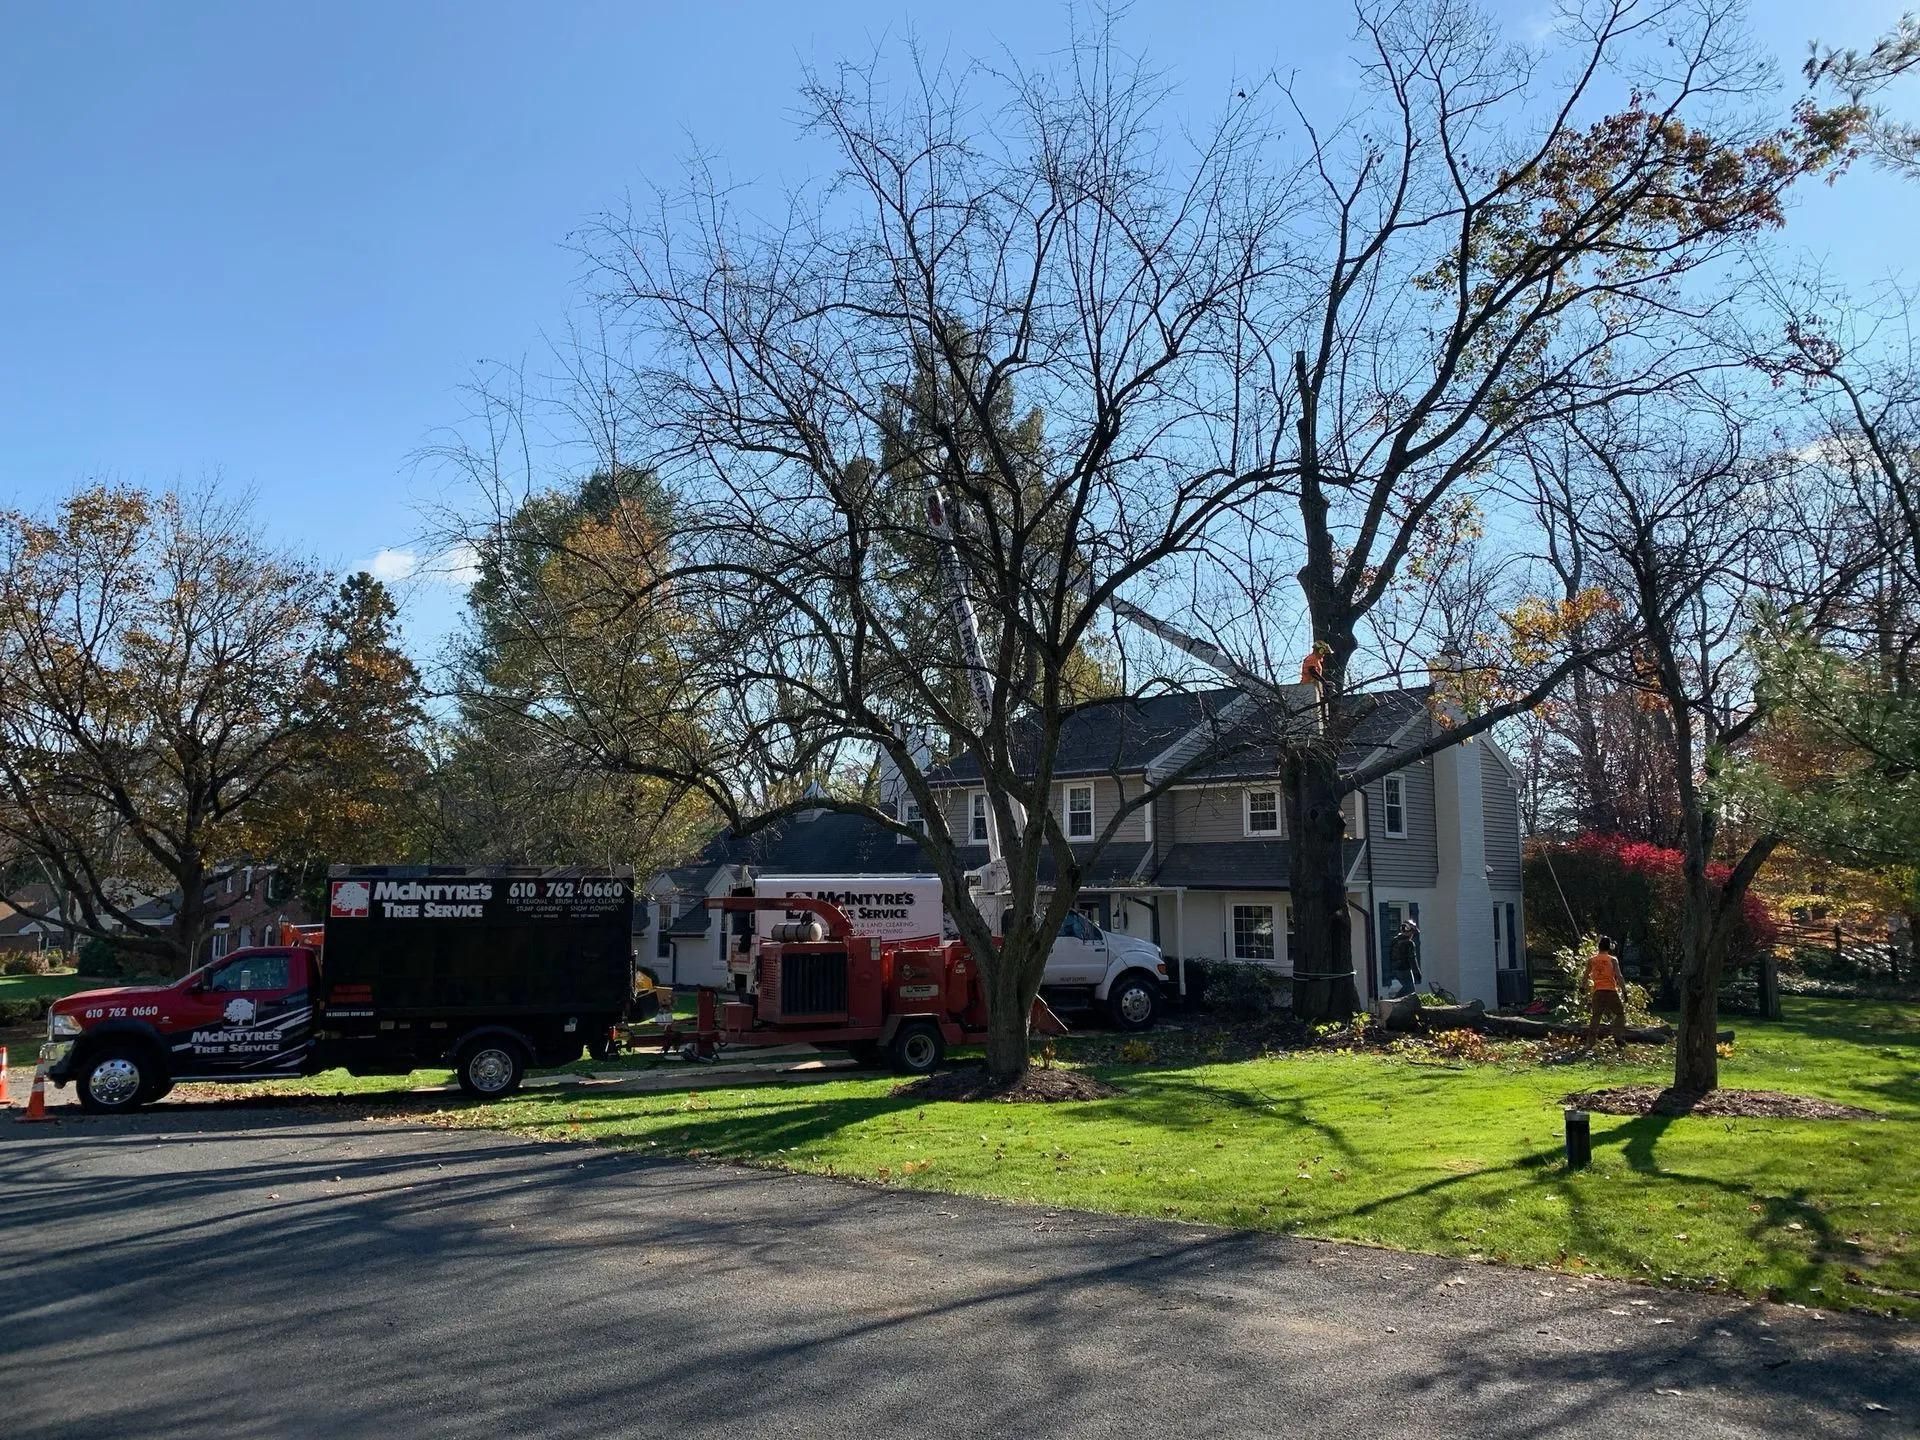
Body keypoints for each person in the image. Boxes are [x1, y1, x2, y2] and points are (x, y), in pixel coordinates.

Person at [1584, 934, 1628, 1049]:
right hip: (1611, 991)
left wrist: (1582, 987)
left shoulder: (1592, 960)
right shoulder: (1612, 960)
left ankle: (1590, 1043)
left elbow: (1585, 976)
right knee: (1620, 1014)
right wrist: (1624, 991)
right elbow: (1619, 976)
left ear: (1599, 947)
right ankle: (1618, 1036)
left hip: (1598, 991)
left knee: (1596, 1017)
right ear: (1609, 947)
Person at [1387, 918, 1421, 997]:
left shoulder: (1394, 940)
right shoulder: (1409, 943)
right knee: (1410, 990)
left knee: (1406, 989)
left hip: (1395, 969)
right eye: (1412, 932)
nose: (1412, 935)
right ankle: (1395, 1001)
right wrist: (1417, 972)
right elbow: (1412, 959)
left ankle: (1397, 1001)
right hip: (1404, 969)